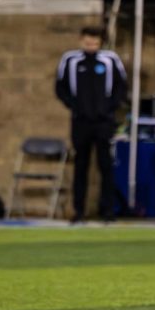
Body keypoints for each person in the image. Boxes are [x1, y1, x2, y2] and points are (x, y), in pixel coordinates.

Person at [55, 26, 128, 223]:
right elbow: (60, 87)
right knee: (81, 166)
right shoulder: (70, 60)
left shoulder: (110, 60)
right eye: (88, 43)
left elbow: (121, 87)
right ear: (81, 40)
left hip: (104, 122)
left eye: (95, 43)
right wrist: (74, 106)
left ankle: (108, 211)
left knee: (106, 166)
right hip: (81, 122)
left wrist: (109, 108)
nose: (91, 46)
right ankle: (79, 211)